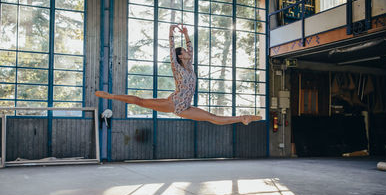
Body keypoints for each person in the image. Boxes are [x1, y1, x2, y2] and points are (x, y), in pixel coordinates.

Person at [95, 24, 262, 125]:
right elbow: (171, 50)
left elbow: (191, 48)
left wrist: (186, 34)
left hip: (186, 107)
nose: (188, 52)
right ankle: (110, 96)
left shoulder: (189, 66)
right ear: (180, 55)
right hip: (174, 103)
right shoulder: (177, 67)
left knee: (213, 117)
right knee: (141, 101)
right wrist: (171, 34)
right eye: (184, 51)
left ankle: (243, 118)